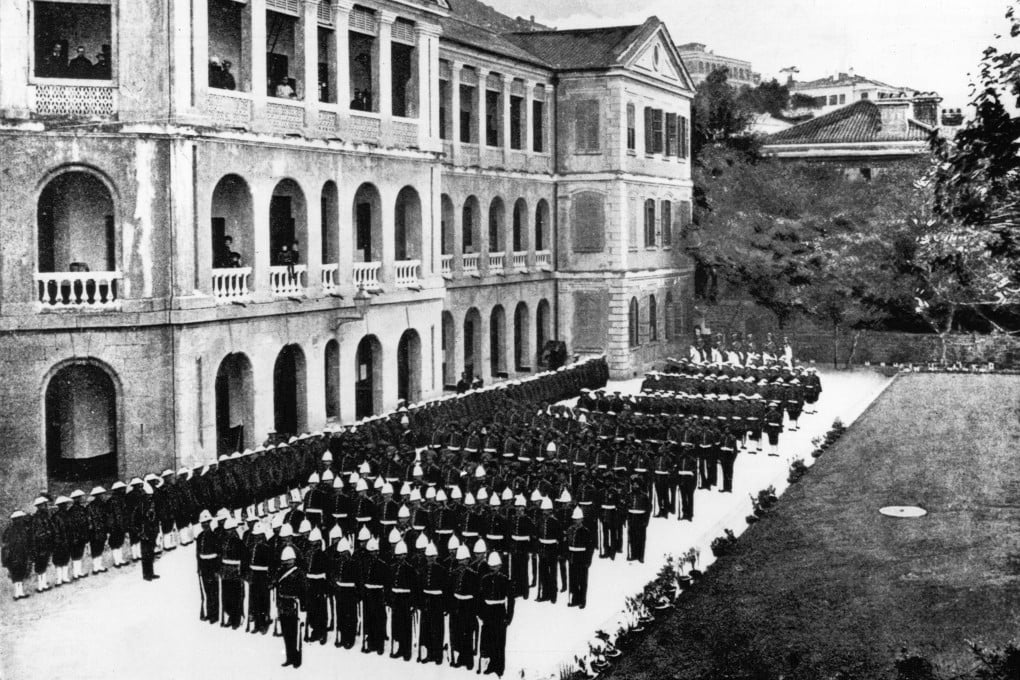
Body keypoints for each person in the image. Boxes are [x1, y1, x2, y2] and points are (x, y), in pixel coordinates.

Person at [478, 551, 513, 677]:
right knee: (490, 640)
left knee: (500, 641)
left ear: (500, 566)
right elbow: (480, 597)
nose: (494, 569)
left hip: (500, 611)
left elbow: (511, 600)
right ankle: (492, 665)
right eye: (492, 567)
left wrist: (509, 617)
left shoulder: (505, 580)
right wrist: (481, 613)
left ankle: (500, 667)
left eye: (496, 566)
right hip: (488, 611)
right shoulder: (485, 579)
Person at [275, 545, 308, 668]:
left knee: (295, 634)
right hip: (283, 605)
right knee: (286, 633)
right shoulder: (280, 572)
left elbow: (304, 592)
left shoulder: (299, 573)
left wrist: (303, 608)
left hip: (294, 606)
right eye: (285, 561)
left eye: (289, 561)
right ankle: (289, 657)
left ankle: (297, 659)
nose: (287, 563)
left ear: (294, 560)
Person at [196, 510, 221, 623]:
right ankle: (209, 613)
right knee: (206, 590)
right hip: (204, 566)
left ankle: (214, 615)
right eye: (203, 523)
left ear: (210, 522)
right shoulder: (200, 537)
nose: (204, 525)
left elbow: (218, 554)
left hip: (212, 565)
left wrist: (217, 570)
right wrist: (199, 568)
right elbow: (198, 554)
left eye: (206, 522)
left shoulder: (214, 536)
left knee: (214, 591)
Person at [2, 510, 31, 600]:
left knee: (20, 573)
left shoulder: (21, 529)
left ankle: (20, 593)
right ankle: (17, 593)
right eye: (20, 518)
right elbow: (7, 544)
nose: (22, 520)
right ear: (16, 519)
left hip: (20, 554)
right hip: (15, 555)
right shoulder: (12, 530)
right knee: (16, 574)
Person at [136, 484, 161, 581]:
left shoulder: (151, 504)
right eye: (148, 496)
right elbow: (135, 520)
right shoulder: (140, 506)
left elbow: (154, 518)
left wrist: (156, 530)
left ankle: (151, 572)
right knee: (146, 554)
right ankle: (146, 574)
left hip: (152, 532)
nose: (150, 498)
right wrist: (139, 532)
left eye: (151, 496)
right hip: (144, 532)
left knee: (150, 553)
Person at [29, 496, 53, 592]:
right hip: (40, 545)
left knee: (44, 563)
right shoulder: (37, 518)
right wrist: (47, 533)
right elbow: (37, 533)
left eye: (45, 504)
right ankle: (40, 585)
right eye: (44, 505)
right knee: (40, 564)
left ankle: (43, 584)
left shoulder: (45, 516)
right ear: (39, 506)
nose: (46, 506)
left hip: (45, 544)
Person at [67, 490, 90, 579]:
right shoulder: (74, 510)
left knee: (78, 554)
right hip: (77, 535)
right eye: (79, 497)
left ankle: (78, 572)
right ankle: (76, 573)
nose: (81, 498)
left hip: (79, 535)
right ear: (76, 499)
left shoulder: (78, 509)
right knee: (76, 554)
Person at [85, 487, 109, 574]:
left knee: (100, 547)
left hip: (102, 529)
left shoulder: (103, 505)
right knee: (95, 548)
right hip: (94, 531)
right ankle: (96, 567)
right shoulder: (90, 507)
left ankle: (99, 565)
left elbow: (106, 517)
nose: (103, 496)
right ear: (98, 496)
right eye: (102, 494)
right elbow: (89, 520)